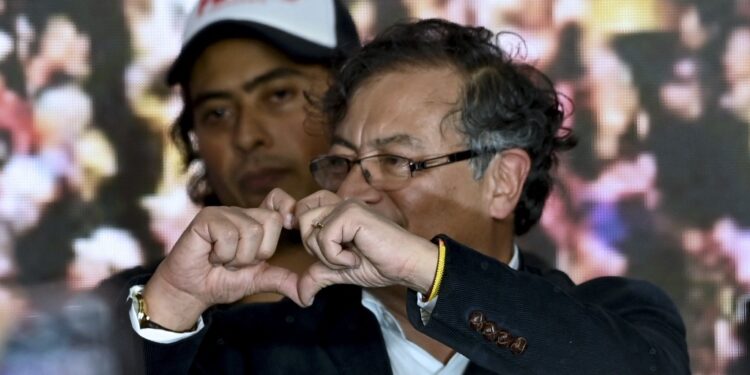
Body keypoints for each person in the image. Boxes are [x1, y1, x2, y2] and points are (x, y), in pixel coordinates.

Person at [111, 19, 690, 374]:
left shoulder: (616, 320)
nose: (355, 193)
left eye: (396, 161)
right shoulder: (269, 343)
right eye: (344, 163)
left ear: (502, 181)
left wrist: (425, 271)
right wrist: (169, 309)